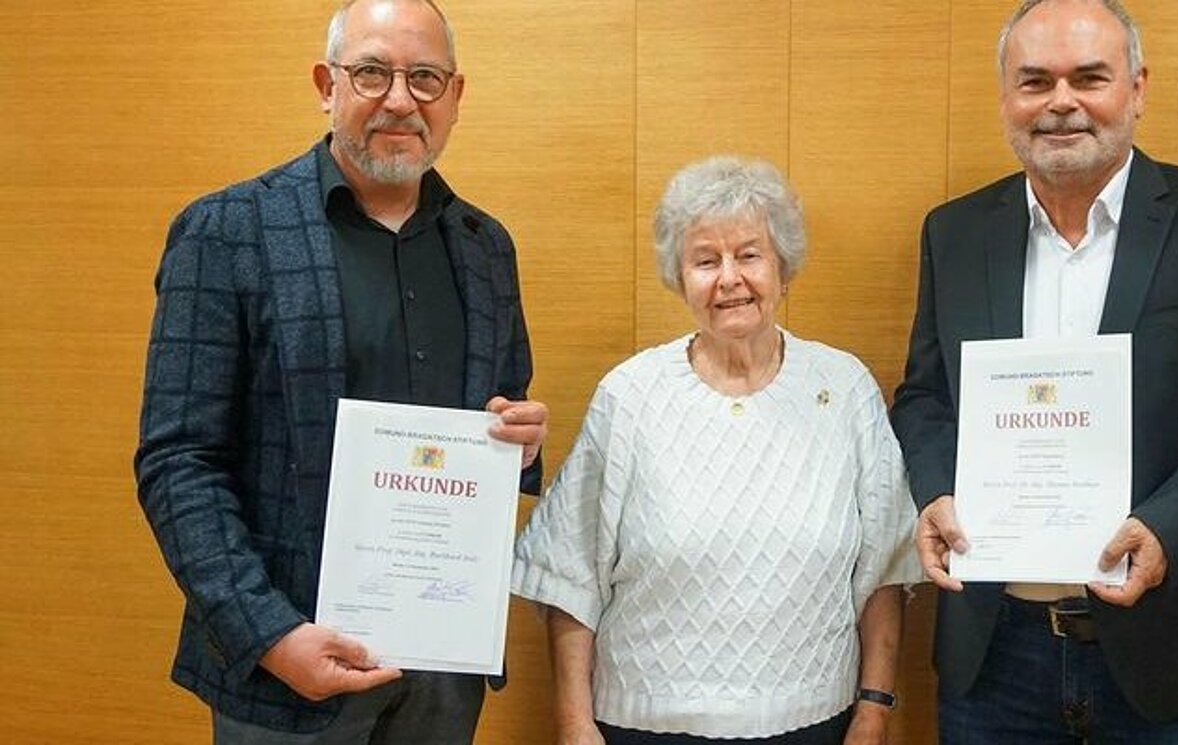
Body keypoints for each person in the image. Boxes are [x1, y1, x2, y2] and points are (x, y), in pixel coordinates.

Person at [888, 0, 1178, 741]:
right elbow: (925, 396)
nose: (1061, 101)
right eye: (1035, 81)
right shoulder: (954, 232)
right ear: (1006, 98)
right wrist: (933, 490)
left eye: (1089, 77)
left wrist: (1169, 524)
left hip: (1170, 643)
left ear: (1137, 89)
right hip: (995, 653)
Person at [134, 0, 548, 740]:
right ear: (328, 84)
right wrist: (268, 634)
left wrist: (522, 441)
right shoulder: (226, 232)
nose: (400, 98)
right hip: (286, 678)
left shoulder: (488, 247)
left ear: (455, 97)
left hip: (441, 673)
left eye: (425, 77)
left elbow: (500, 419)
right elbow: (178, 462)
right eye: (372, 72)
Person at [512, 156, 921, 745]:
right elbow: (569, 573)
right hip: (643, 726)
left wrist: (874, 710)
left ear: (783, 267)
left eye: (749, 254)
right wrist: (574, 723)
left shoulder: (845, 388)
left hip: (815, 722)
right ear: (680, 278)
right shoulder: (629, 395)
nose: (729, 278)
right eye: (706, 260)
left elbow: (885, 566)